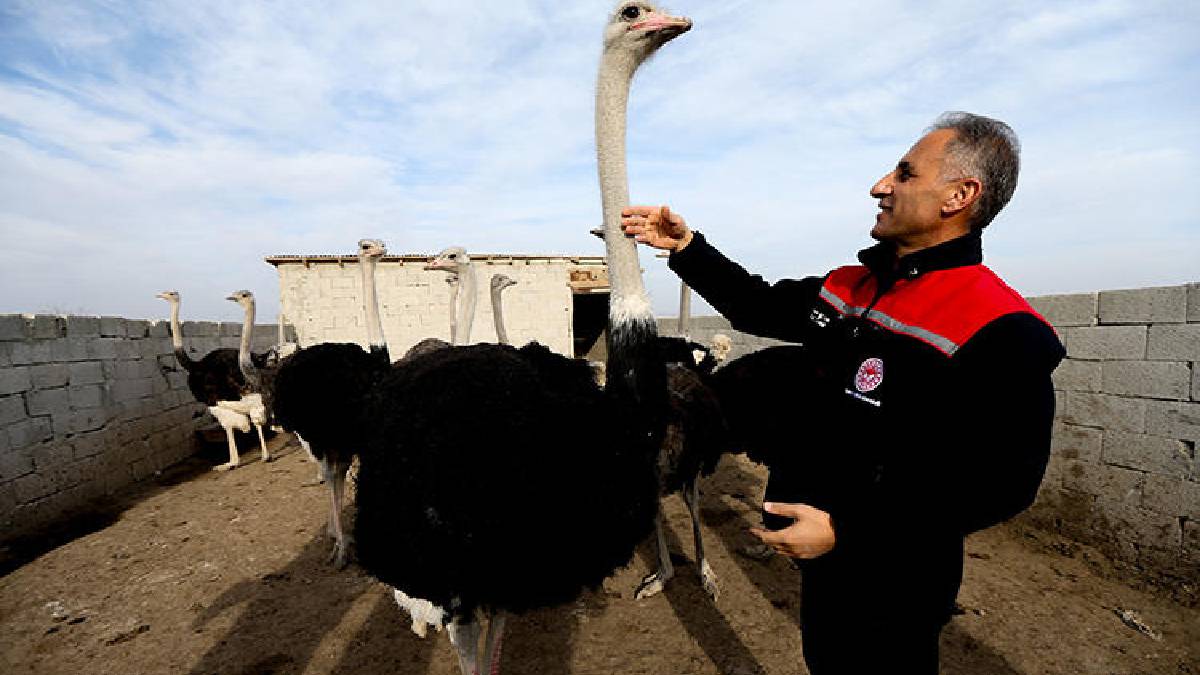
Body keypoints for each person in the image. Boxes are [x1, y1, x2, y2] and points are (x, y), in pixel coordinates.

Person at [621, 112, 1065, 674]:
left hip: (894, 569)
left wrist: (848, 532)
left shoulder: (1000, 327)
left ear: (960, 195)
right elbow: (759, 305)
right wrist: (686, 247)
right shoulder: (849, 287)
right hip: (819, 555)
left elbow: (1004, 483)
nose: (880, 185)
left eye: (904, 173)